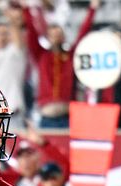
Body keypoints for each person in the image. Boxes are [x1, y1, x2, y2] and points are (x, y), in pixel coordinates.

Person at [22, 0, 99, 128]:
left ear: (63, 37)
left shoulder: (71, 56)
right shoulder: (41, 55)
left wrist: (92, 9)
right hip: (47, 117)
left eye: (58, 34)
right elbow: (32, 34)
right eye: (52, 35)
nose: (56, 38)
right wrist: (26, 10)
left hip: (67, 117)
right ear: (48, 37)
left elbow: (83, 33)